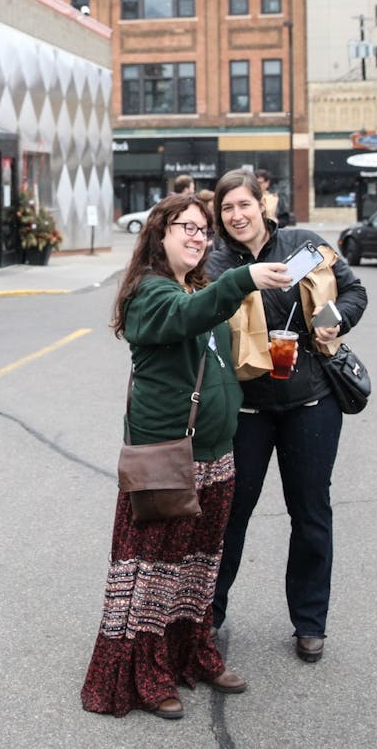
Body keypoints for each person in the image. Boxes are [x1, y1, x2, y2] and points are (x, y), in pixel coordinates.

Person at [81, 193, 292, 720]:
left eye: (204, 230)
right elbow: (187, 316)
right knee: (155, 573)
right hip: (169, 458)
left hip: (216, 457)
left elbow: (220, 352)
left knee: (198, 569)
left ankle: (191, 654)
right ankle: (146, 676)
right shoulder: (149, 295)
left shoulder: (193, 286)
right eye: (187, 228)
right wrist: (242, 280)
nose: (199, 237)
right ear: (160, 234)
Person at [206, 169, 368, 664]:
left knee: (311, 512)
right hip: (246, 409)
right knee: (230, 517)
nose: (237, 215)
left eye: (244, 205)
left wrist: (334, 319)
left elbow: (353, 292)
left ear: (262, 205)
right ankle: (208, 617)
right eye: (227, 209)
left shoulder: (303, 246)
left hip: (311, 404)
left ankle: (309, 623)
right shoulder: (214, 263)